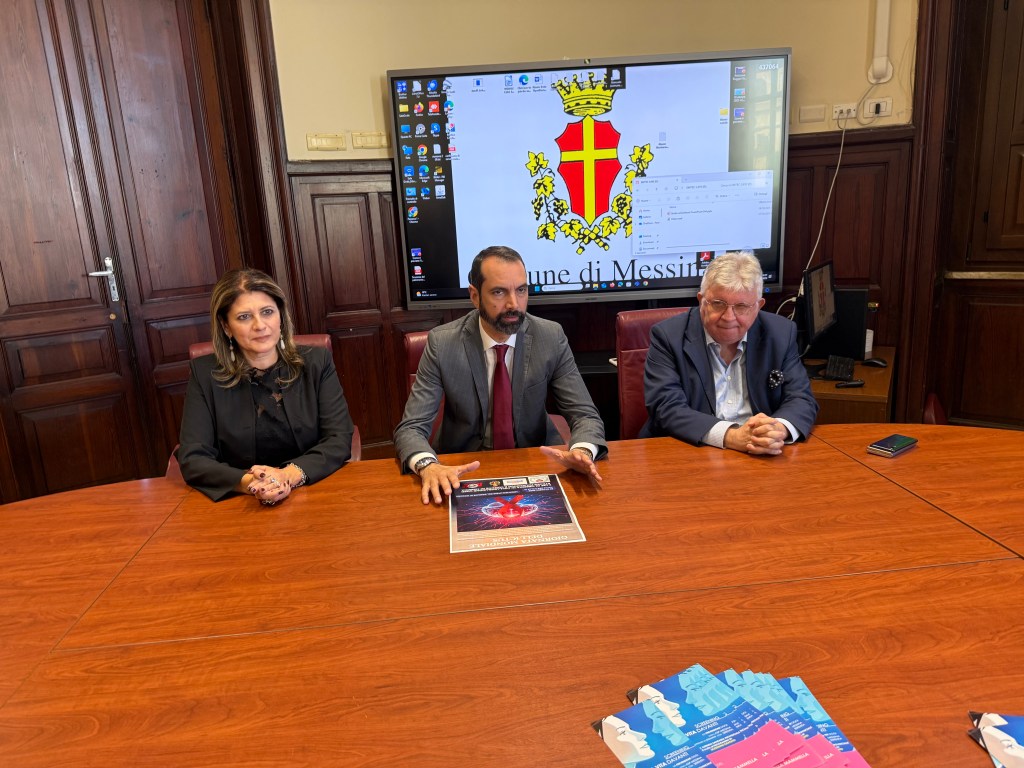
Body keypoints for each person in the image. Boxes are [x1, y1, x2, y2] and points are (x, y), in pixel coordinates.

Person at [394, 245, 607, 504]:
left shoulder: (550, 337)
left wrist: (582, 451)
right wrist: (428, 465)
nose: (513, 304)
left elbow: (584, 414)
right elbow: (411, 428)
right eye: (499, 292)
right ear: (475, 296)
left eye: (521, 290)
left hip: (535, 462)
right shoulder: (443, 343)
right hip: (461, 468)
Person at [177, 268, 354, 502]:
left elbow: (338, 438)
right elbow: (193, 458)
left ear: (280, 316)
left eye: (267, 312)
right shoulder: (204, 374)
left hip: (312, 494)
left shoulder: (316, 363)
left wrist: (287, 476)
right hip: (240, 503)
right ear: (226, 326)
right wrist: (252, 484)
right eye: (244, 317)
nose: (259, 325)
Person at [641, 251, 818, 455]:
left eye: (741, 306)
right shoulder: (668, 336)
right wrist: (732, 436)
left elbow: (801, 398)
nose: (729, 317)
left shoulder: (781, 333)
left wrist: (776, 429)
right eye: (718, 304)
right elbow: (666, 408)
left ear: (758, 306)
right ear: (701, 301)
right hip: (688, 451)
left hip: (761, 453)